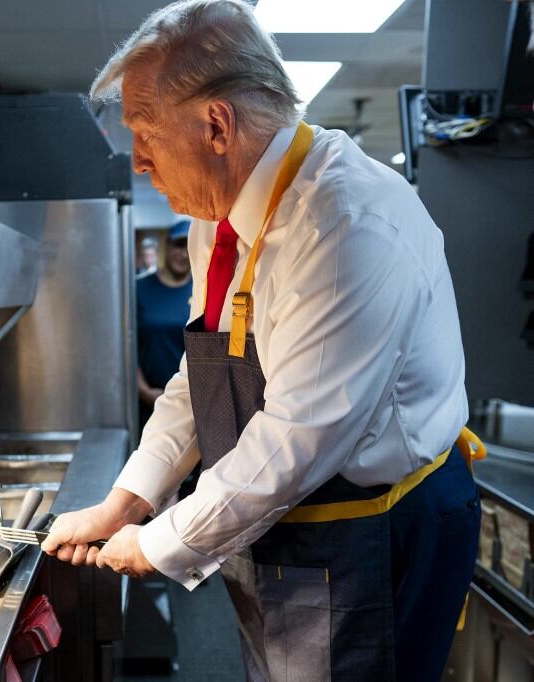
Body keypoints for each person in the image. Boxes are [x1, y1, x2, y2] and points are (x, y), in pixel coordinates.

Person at [41, 2, 483, 679]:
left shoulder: (346, 227)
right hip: (278, 516)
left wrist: (159, 542)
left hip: (368, 528)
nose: (137, 164)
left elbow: (299, 440)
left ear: (216, 125)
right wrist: (124, 504)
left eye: (144, 132)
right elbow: (199, 381)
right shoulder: (216, 215)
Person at [137, 220, 193, 429]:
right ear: (166, 247)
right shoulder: (139, 289)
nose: (184, 254)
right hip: (148, 399)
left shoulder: (202, 291)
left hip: (191, 403)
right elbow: (126, 345)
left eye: (189, 247)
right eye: (179, 245)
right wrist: (143, 390)